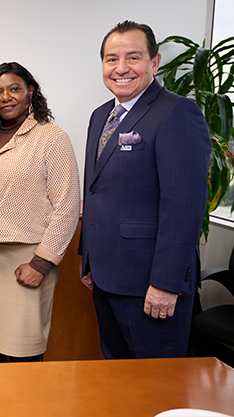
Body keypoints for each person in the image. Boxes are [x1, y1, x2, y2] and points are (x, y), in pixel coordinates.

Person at [79, 20, 212, 359]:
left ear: (154, 62)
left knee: (158, 387)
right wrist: (89, 261)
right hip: (107, 277)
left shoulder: (177, 112)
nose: (121, 68)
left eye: (133, 57)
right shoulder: (100, 116)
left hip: (150, 284)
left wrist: (166, 284)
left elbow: (183, 207)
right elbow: (96, 192)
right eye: (111, 59)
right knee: (119, 376)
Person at [0, 62, 80, 362]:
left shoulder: (51, 137)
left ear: (31, 92)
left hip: (28, 256)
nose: (6, 97)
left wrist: (42, 263)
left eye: (14, 89)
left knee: (22, 347)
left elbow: (68, 205)